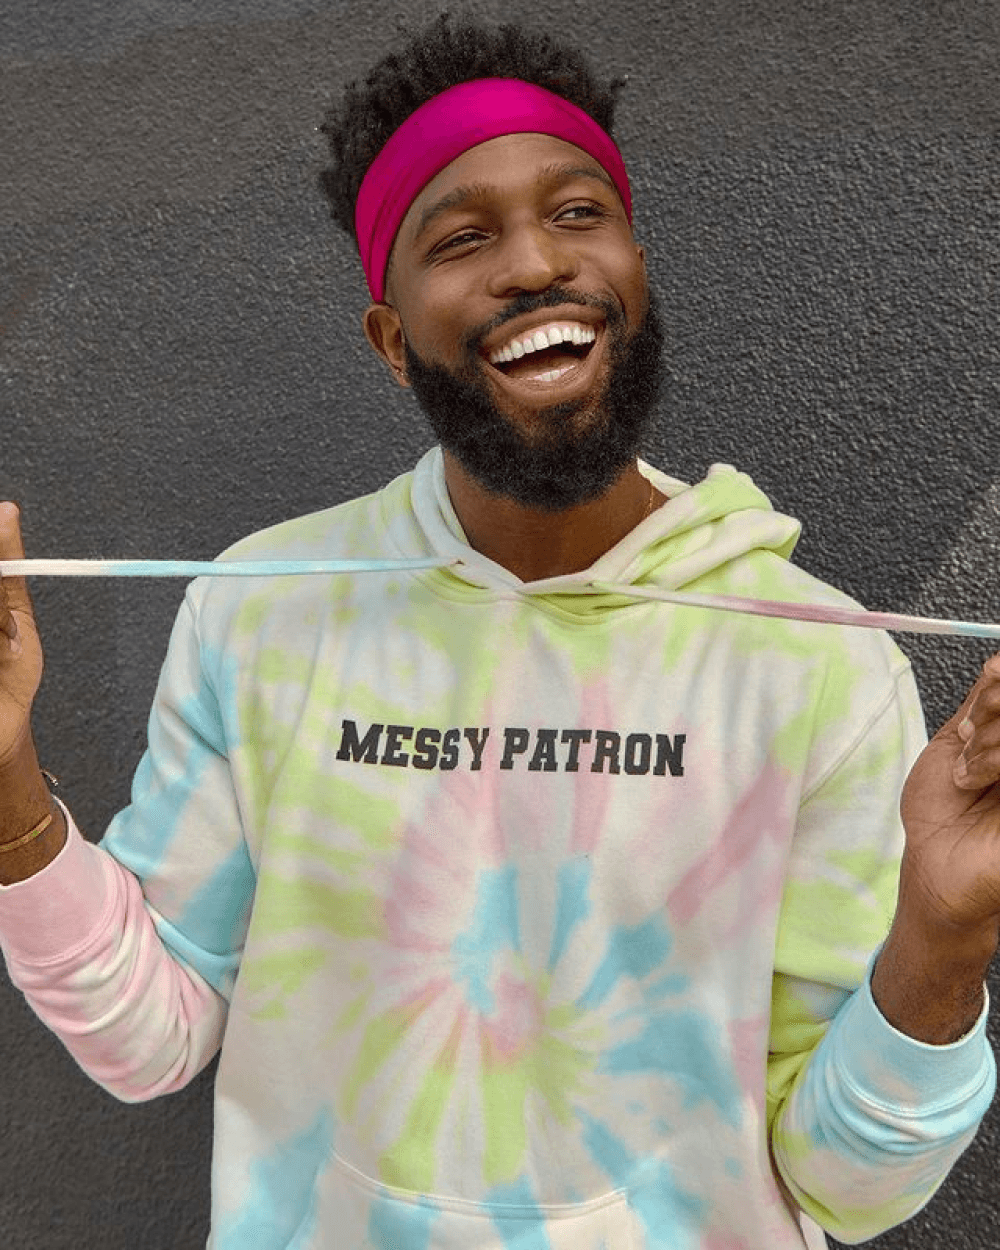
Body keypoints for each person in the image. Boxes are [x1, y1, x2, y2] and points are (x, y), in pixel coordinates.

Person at [0, 12, 997, 1249]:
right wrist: (9, 792)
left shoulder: (815, 659)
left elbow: (851, 1186)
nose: (535, 263)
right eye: (464, 238)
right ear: (390, 337)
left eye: (579, 213)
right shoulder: (264, 606)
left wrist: (943, 944)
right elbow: (153, 1043)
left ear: (634, 270)